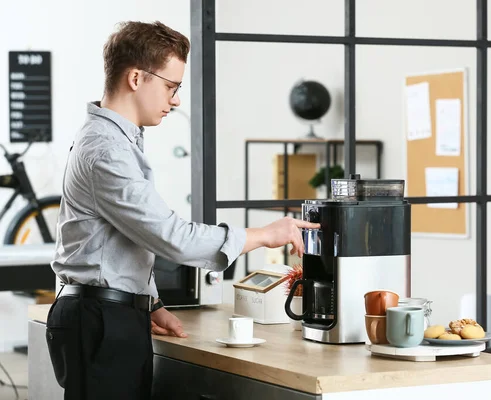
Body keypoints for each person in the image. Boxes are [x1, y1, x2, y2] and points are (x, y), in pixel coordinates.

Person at [45, 20, 319, 400]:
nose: (175, 100)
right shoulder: (108, 150)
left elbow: (123, 240)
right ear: (137, 78)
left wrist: (151, 303)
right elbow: (170, 236)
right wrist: (264, 235)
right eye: (171, 87)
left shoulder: (115, 141)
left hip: (110, 318)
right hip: (101, 322)